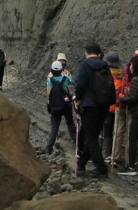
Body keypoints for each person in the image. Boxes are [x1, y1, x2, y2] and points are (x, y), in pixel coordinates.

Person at [73, 43, 110, 178]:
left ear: (86, 53)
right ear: (99, 53)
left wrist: (77, 98)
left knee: (91, 137)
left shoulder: (84, 65)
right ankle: (81, 163)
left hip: (89, 105)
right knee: (91, 134)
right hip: (104, 105)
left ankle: (101, 169)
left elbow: (80, 83)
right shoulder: (104, 65)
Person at [44, 60, 77, 154]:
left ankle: (48, 148)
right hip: (66, 104)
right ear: (61, 69)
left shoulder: (49, 80)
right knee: (70, 123)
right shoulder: (66, 78)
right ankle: (77, 144)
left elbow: (49, 91)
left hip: (54, 105)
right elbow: (72, 83)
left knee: (54, 127)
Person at [104, 51, 129, 169]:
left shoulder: (107, 75)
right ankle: (114, 154)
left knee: (109, 130)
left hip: (109, 106)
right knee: (117, 131)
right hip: (119, 105)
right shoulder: (122, 75)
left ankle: (108, 153)